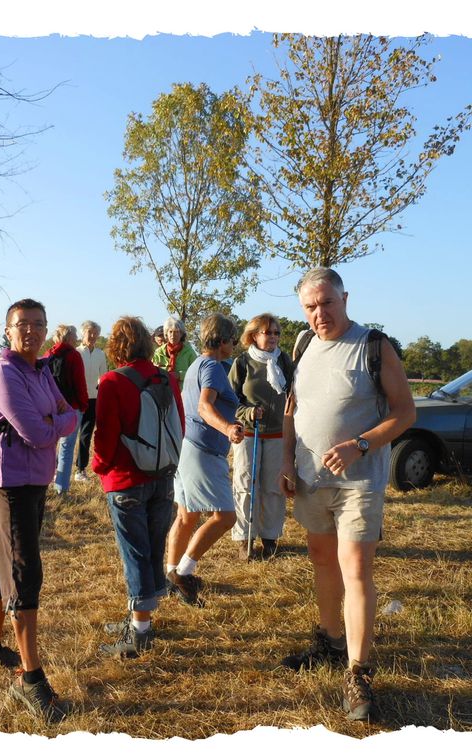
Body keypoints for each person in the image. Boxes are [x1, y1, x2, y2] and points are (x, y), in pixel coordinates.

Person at [278, 267, 416, 722]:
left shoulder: (374, 346)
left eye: (328, 303)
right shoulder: (303, 346)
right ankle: (330, 640)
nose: (321, 314)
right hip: (309, 478)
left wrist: (361, 444)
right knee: (321, 558)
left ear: (345, 298)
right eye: (311, 307)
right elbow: (293, 409)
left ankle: (358, 672)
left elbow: (405, 412)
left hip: (360, 481)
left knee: (355, 568)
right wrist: (285, 462)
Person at [0, 298, 79, 724]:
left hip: (34, 481)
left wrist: (58, 421)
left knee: (7, 566)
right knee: (23, 570)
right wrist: (58, 423)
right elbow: (40, 430)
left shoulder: (40, 371)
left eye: (39, 324)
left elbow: (69, 410)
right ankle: (30, 676)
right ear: (8, 331)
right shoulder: (5, 373)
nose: (31, 331)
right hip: (11, 484)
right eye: (23, 325)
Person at [92, 316, 184, 657]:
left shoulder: (113, 381)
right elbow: (179, 425)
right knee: (153, 547)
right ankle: (139, 618)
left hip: (126, 479)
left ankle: (139, 632)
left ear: (115, 347)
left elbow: (105, 437)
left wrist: (100, 469)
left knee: (135, 552)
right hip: (162, 476)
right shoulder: (167, 377)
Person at [164, 313, 244, 606]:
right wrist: (228, 428)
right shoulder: (212, 366)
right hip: (202, 451)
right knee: (226, 516)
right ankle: (183, 573)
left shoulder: (197, 362)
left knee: (187, 516)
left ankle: (171, 572)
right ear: (222, 340)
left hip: (188, 447)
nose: (234, 344)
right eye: (232, 339)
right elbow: (204, 406)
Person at [229, 313, 294, 561]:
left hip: (279, 434)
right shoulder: (243, 362)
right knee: (246, 486)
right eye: (268, 332)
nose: (274, 337)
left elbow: (294, 393)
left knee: (273, 488)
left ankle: (270, 538)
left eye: (277, 333)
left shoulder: (285, 362)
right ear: (254, 335)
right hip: (248, 434)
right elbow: (229, 400)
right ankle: (245, 538)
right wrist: (247, 412)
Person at [43, 324, 88, 494]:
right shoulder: (74, 356)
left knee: (49, 446)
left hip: (50, 407)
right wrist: (83, 405)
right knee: (67, 449)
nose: (76, 338)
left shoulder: (48, 354)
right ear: (69, 338)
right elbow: (80, 383)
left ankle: (45, 481)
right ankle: (61, 488)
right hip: (71, 408)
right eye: (75, 335)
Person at [74, 320, 107, 482]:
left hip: (93, 399)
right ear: (83, 333)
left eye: (95, 333)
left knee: (86, 435)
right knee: (67, 436)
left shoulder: (101, 354)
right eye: (90, 332)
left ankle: (81, 469)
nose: (93, 336)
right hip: (76, 399)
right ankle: (58, 467)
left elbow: (104, 376)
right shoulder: (76, 353)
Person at [152, 315, 198, 386]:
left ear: (181, 334)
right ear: (166, 333)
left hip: (183, 393)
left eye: (176, 332)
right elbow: (151, 372)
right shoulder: (158, 352)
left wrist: (179, 375)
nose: (173, 335)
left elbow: (197, 373)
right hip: (163, 392)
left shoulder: (189, 352)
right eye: (170, 332)